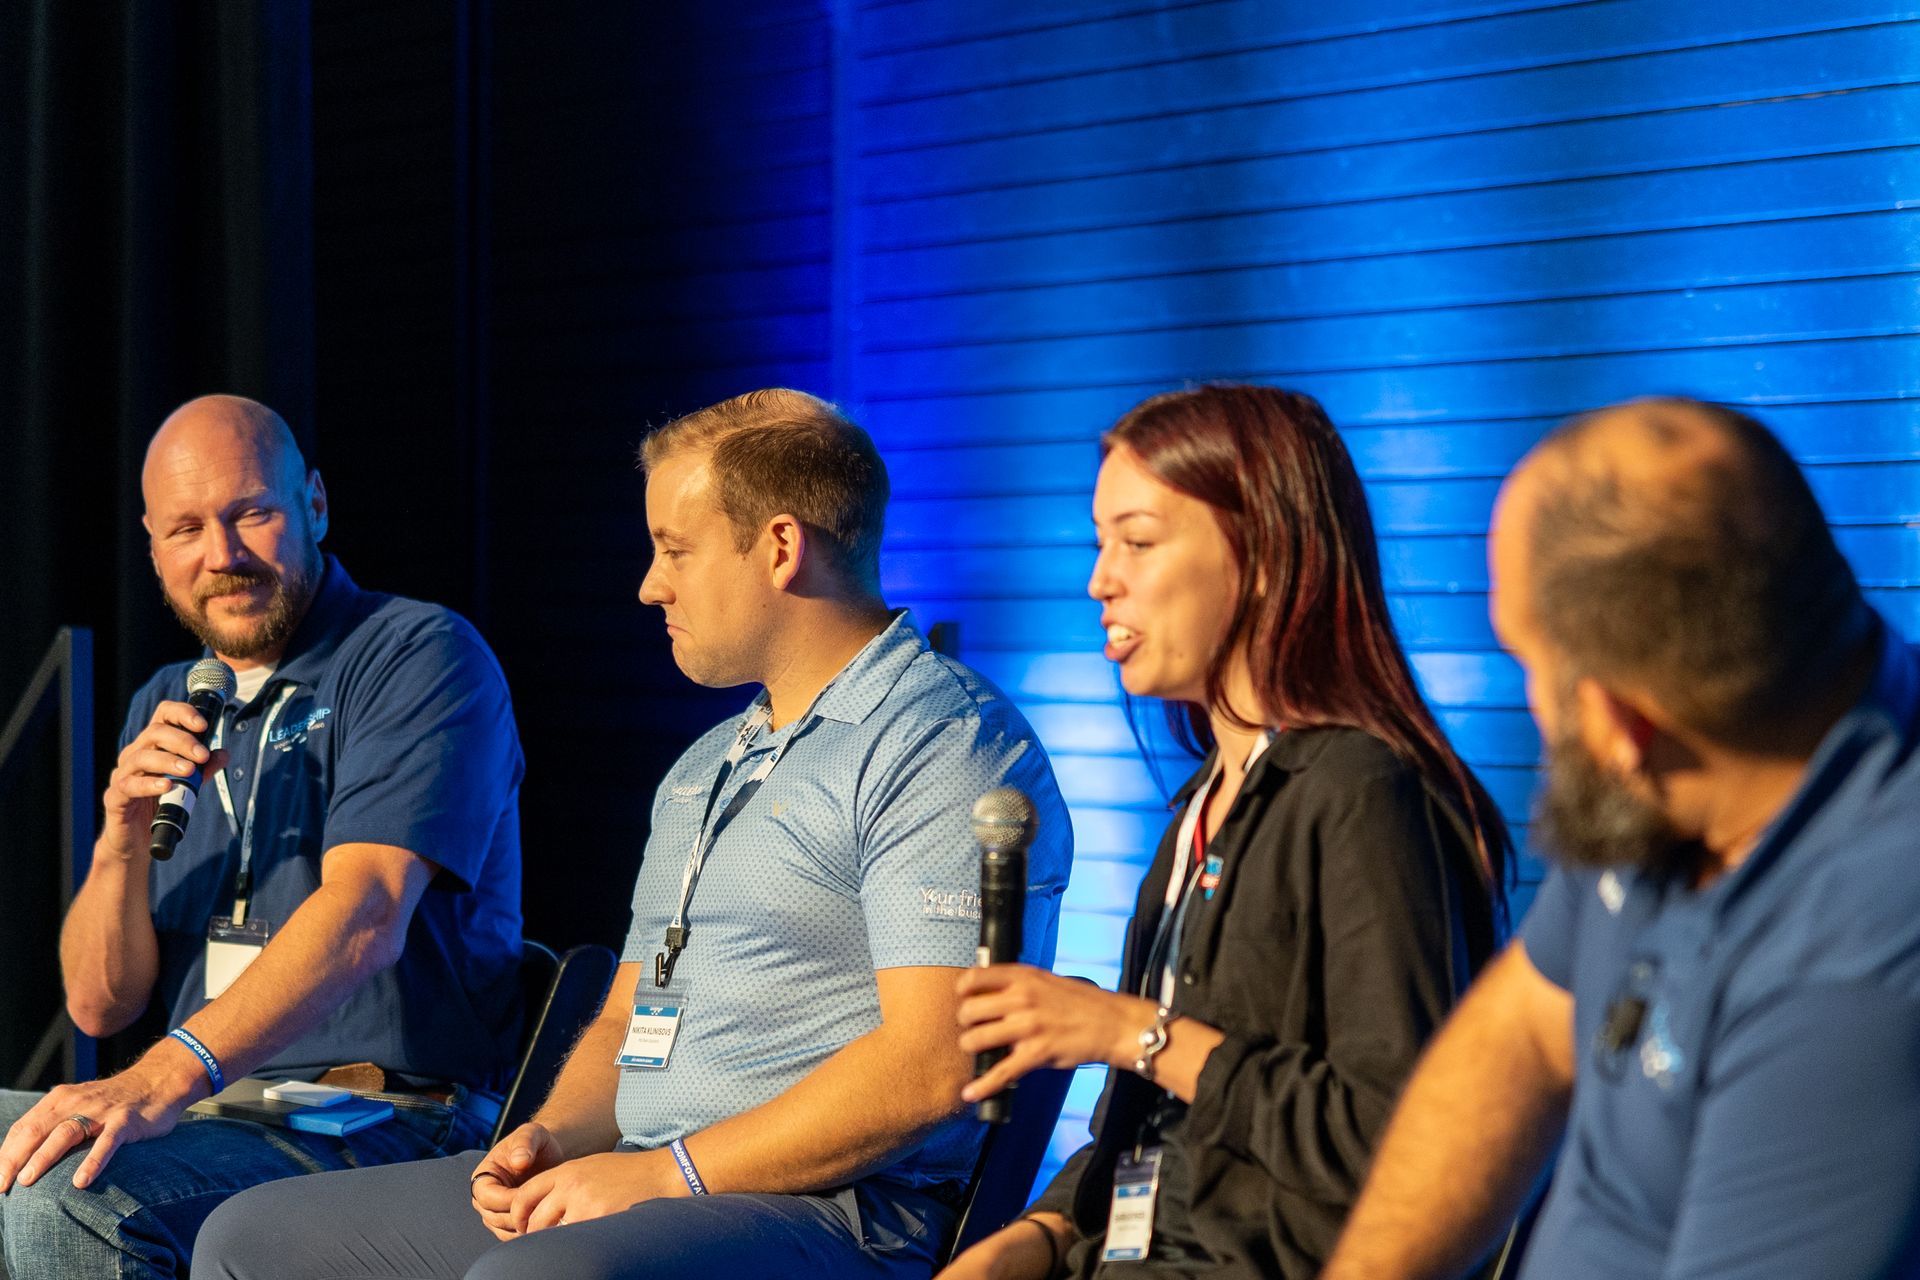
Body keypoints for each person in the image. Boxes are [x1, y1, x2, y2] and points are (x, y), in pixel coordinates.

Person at [195, 387, 1073, 1280]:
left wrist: (666, 1174)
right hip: (650, 1179)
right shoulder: (704, 767)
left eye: (674, 550)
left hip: (835, 1211)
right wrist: (550, 1138)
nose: (649, 584)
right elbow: (627, 1017)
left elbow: (931, 1065)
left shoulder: (944, 743)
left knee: (537, 1279)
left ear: (778, 547)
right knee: (249, 1241)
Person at [1319, 397, 1920, 1280]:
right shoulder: (1671, 779)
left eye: (1526, 662)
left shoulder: (1863, 976)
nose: (1529, 703)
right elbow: (1528, 1026)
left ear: (1617, 722)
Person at [940, 384, 1509, 1280]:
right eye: (1100, 544)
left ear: (1264, 552)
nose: (1101, 580)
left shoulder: (1362, 793)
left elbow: (1399, 1136)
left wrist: (1134, 1032)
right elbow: (1158, 1137)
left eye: (1137, 541)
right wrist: (1038, 1236)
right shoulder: (1202, 808)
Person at [0, 395, 525, 1279]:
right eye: (187, 529)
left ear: (315, 503)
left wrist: (163, 1074)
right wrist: (121, 835)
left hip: (390, 1117)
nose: (223, 556)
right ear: (153, 544)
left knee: (66, 1188)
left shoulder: (418, 653)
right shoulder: (170, 697)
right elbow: (99, 1005)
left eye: (252, 513)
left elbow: (365, 915)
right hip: (214, 1113)